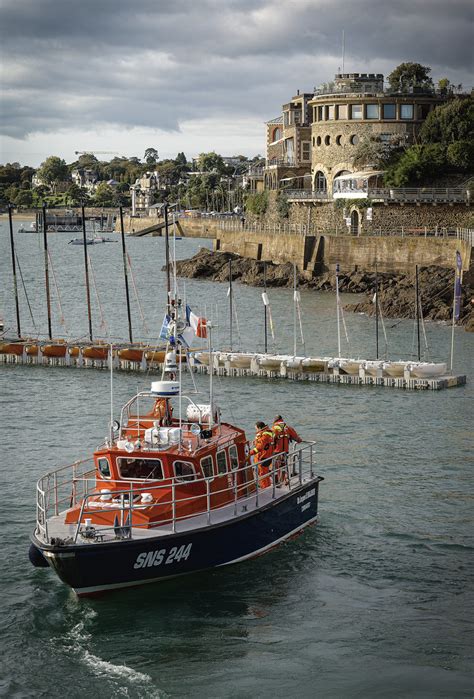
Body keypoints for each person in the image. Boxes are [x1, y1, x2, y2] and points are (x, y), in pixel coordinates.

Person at [272, 415, 302, 483]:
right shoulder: (288, 428)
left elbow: (271, 441)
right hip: (285, 451)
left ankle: (278, 482)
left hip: (276, 451)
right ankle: (286, 479)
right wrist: (299, 440)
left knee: (276, 467)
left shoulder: (273, 429)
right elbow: (298, 439)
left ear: (275, 421)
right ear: (282, 420)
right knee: (284, 465)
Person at [249, 421, 273, 488]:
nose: (256, 430)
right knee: (265, 474)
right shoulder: (267, 433)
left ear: (259, 428)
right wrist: (255, 442)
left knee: (262, 474)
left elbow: (259, 448)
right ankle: (268, 486)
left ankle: (265, 488)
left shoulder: (263, 435)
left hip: (262, 457)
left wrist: (249, 453)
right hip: (267, 456)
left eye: (256, 429)